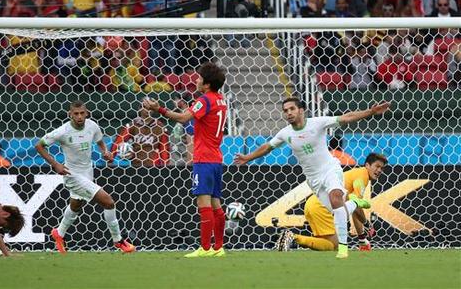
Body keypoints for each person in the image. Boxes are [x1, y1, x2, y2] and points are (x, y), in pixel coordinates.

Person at [234, 97, 390, 258]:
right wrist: (248, 157)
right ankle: (355, 203)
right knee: (339, 211)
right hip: (314, 180)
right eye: (285, 110)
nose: (288, 113)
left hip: (330, 169)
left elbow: (346, 118)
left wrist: (370, 112)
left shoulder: (317, 123)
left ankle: (343, 250)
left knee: (336, 197)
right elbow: (267, 147)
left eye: (292, 109)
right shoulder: (285, 133)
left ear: (301, 110)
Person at [143, 62, 228, 258]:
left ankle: (205, 248)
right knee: (216, 204)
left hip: (204, 158)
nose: (196, 80)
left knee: (204, 203)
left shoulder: (204, 99)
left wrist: (160, 109)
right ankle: (218, 247)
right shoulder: (221, 100)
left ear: (206, 84)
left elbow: (183, 118)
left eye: (199, 78)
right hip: (216, 158)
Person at [35, 100, 135, 253]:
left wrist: (105, 152)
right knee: (108, 202)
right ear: (70, 114)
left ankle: (59, 233)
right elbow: (39, 146)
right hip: (71, 174)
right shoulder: (62, 131)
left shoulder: (92, 126)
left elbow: (99, 141)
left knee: (76, 204)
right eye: (76, 114)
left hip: (87, 171)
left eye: (82, 113)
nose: (79, 117)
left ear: (87, 113)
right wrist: (55, 164)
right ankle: (119, 241)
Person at [276, 153, 387, 252]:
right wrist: (367, 225)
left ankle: (291, 239)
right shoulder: (362, 176)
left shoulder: (356, 173)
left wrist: (362, 238)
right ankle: (293, 237)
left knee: (326, 244)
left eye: (382, 168)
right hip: (321, 207)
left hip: (312, 204)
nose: (379, 171)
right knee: (334, 246)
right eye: (377, 166)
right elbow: (356, 206)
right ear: (367, 165)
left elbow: (354, 209)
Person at [111, 101, 170, 166]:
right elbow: (118, 141)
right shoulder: (132, 125)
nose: (148, 110)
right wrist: (111, 158)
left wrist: (166, 166)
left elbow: (164, 149)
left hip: (155, 166)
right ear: (139, 108)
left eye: (150, 108)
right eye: (145, 107)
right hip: (136, 165)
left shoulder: (160, 127)